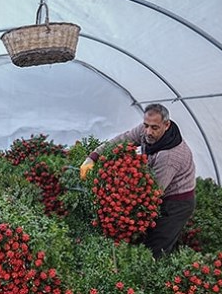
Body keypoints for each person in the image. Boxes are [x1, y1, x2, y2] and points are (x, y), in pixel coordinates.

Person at [79, 103, 196, 258]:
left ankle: (155, 271)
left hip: (176, 202)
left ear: (166, 125)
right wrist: (93, 157)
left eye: (154, 128)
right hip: (159, 191)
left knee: (157, 245)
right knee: (144, 237)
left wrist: (120, 204)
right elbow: (122, 139)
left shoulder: (169, 157)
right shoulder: (146, 130)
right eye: (146, 125)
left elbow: (153, 193)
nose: (148, 132)